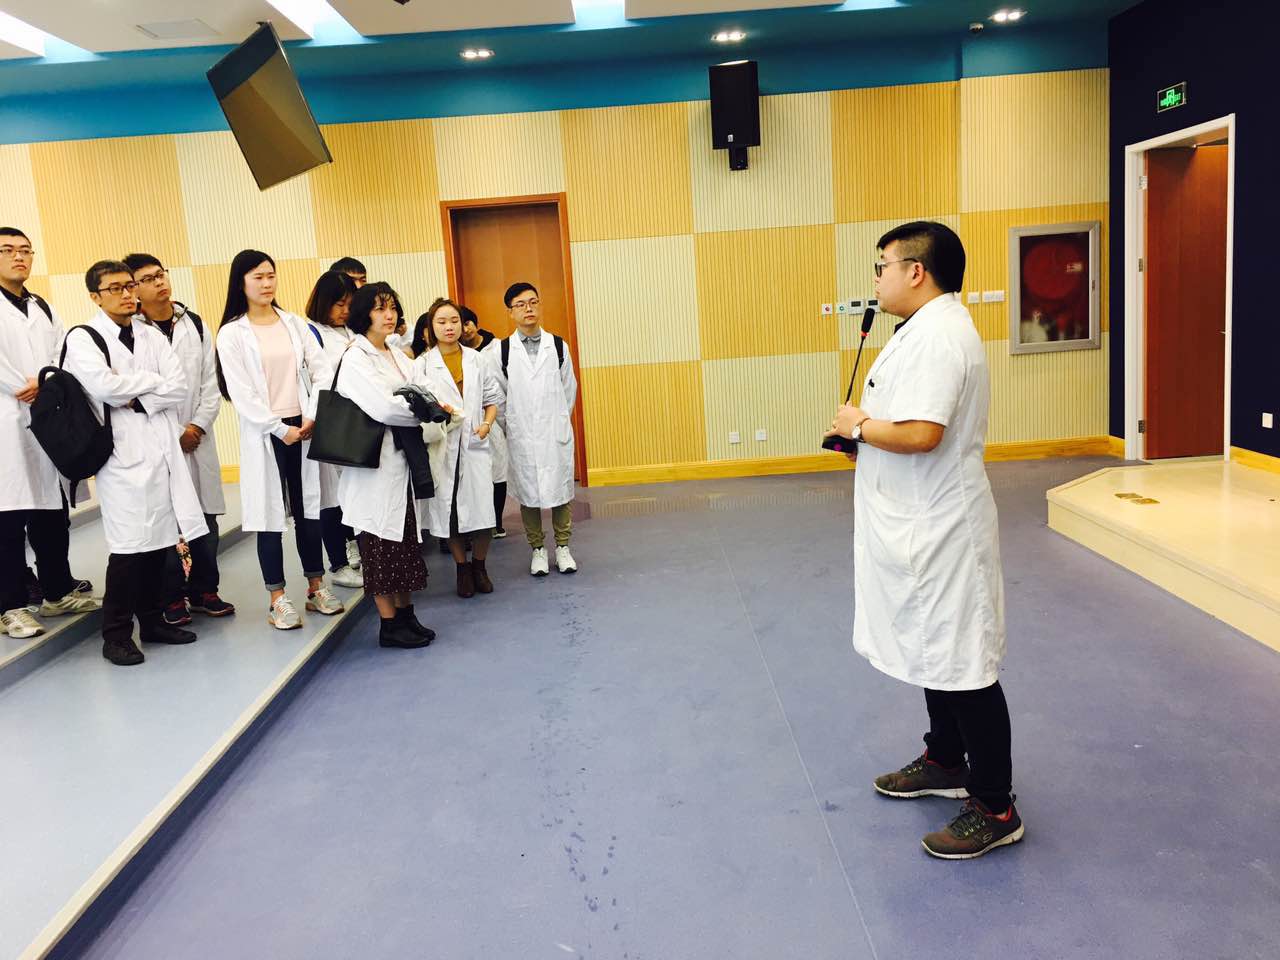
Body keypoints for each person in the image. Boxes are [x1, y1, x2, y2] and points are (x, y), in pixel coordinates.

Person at [823, 221, 1019, 859]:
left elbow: (923, 433)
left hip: (942, 529)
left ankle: (994, 806)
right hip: (917, 522)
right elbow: (905, 426)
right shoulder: (921, 329)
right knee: (936, 652)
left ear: (915, 271)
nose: (876, 278)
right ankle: (945, 760)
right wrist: (865, 439)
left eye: (882, 266)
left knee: (964, 664)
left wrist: (860, 425)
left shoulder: (940, 336)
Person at [63, 260, 207, 665]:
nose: (127, 294)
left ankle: (153, 622)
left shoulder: (149, 334)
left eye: (129, 286)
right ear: (95, 296)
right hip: (120, 458)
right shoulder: (84, 337)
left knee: (159, 543)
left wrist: (137, 396)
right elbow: (104, 387)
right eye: (115, 288)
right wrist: (151, 384)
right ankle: (115, 635)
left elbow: (178, 386)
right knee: (128, 550)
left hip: (160, 449)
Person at [215, 250, 343, 630]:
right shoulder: (232, 333)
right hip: (266, 433)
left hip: (304, 427)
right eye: (258, 277)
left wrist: (311, 414)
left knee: (309, 510)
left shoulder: (294, 324)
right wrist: (278, 427)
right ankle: (277, 599)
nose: (267, 283)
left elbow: (322, 371)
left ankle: (316, 587)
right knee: (268, 516)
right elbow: (241, 393)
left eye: (271, 275)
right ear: (241, 282)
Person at [0, 228, 100, 639]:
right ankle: (9, 607)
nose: (19, 257)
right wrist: (26, 385)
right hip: (7, 420)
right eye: (8, 250)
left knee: (51, 513)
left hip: (46, 420)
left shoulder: (41, 306)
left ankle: (56, 591)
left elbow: (64, 355)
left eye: (26, 251)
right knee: (8, 520)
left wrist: (47, 384)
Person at [124, 252, 235, 624]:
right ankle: (170, 597)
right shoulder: (132, 333)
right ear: (134, 289)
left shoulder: (195, 323)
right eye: (147, 279)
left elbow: (210, 384)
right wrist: (175, 434)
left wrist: (197, 427)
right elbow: (138, 394)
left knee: (206, 516)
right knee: (167, 519)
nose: (159, 282)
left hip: (198, 437)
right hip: (158, 439)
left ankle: (204, 590)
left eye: (161, 274)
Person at [335, 282, 441, 648]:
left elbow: (423, 389)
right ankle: (389, 625)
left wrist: (424, 405)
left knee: (404, 543)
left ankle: (407, 616)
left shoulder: (395, 353)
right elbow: (384, 408)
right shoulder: (356, 357)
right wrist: (423, 411)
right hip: (374, 466)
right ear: (364, 313)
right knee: (380, 545)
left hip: (401, 463)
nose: (389, 314)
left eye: (393, 307)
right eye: (380, 308)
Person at [412, 298, 502, 598]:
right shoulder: (422, 365)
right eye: (441, 322)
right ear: (431, 327)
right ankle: (462, 568)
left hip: (475, 443)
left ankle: (480, 566)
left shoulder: (477, 359)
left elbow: (492, 399)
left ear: (462, 325)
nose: (449, 327)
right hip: (444, 447)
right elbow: (416, 407)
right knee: (448, 514)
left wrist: (486, 424)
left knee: (483, 512)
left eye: (454, 321)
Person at [491, 282, 578, 576]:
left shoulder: (558, 346)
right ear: (510, 312)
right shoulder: (502, 351)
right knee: (528, 492)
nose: (528, 308)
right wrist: (515, 426)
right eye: (520, 304)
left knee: (560, 489)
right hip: (522, 435)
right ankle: (538, 549)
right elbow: (498, 397)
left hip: (554, 432)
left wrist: (556, 420)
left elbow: (568, 390)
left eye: (533, 302)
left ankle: (563, 547)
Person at [303, 270, 364, 589]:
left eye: (350, 305)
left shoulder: (352, 329)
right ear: (323, 302)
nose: (345, 311)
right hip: (329, 422)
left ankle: (357, 550)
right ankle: (338, 562)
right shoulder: (310, 332)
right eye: (339, 304)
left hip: (357, 421)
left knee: (356, 492)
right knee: (331, 497)